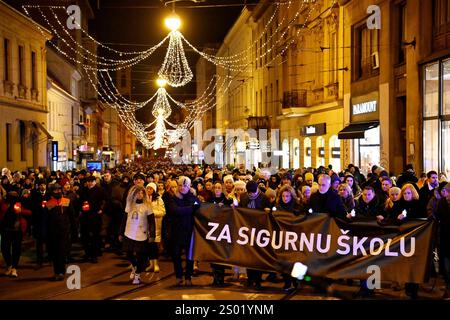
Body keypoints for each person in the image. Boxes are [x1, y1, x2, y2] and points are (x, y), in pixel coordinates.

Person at [165, 176, 200, 286]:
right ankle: (179, 276)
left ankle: (188, 277)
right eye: (180, 185)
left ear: (189, 186)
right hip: (176, 231)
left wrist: (189, 208)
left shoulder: (193, 198)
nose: (182, 187)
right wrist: (190, 209)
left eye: (185, 185)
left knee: (189, 256)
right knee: (176, 255)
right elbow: (175, 210)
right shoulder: (173, 198)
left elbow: (197, 206)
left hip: (189, 231)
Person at [119, 185, 155, 285]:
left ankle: (138, 275)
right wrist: (121, 233)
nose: (140, 195)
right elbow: (124, 219)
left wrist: (152, 234)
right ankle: (134, 267)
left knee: (140, 256)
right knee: (128, 253)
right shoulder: (129, 204)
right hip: (129, 233)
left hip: (141, 234)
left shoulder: (147, 206)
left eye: (142, 193)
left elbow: (152, 222)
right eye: (138, 193)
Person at [239, 180, 271, 290]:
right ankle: (250, 278)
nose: (251, 194)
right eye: (250, 192)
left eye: (253, 192)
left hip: (259, 230)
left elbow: (269, 213)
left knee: (258, 256)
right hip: (247, 229)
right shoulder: (243, 197)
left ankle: (257, 279)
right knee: (249, 256)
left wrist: (268, 211)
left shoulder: (264, 198)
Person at [44, 183, 76, 281]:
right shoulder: (49, 203)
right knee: (54, 253)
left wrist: (73, 229)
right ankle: (56, 272)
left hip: (64, 231)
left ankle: (61, 272)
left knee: (62, 252)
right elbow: (46, 219)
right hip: (53, 232)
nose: (58, 192)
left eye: (59, 190)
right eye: (55, 190)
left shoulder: (66, 201)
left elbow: (72, 216)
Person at [1, 191, 32, 278]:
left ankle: (14, 267)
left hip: (17, 230)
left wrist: (20, 211)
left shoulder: (20, 203)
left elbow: (29, 212)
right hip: (6, 229)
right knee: (4, 248)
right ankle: (9, 265)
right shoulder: (4, 204)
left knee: (16, 249)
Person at [275, 185, 301, 291]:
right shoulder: (277, 206)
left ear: (292, 196)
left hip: (294, 237)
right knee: (284, 261)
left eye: (287, 196)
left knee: (295, 260)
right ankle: (287, 282)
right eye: (283, 196)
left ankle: (295, 280)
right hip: (282, 238)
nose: (285, 198)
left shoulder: (297, 206)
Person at [79, 175, 105, 263]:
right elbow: (80, 201)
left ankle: (95, 254)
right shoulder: (84, 190)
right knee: (85, 235)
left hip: (95, 215)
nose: (90, 183)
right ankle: (87, 253)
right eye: (88, 182)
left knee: (95, 235)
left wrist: (101, 209)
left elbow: (104, 201)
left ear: (95, 182)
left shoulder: (100, 190)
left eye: (91, 181)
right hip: (85, 216)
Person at [145, 182, 166, 273]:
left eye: (151, 189)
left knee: (154, 245)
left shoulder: (158, 199)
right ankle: (151, 264)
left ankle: (156, 263)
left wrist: (152, 213)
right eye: (148, 188)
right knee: (149, 245)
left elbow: (163, 212)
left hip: (156, 225)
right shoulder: (144, 198)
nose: (149, 190)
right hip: (146, 225)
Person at [436, 183, 450, 298]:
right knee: (446, 264)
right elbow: (438, 216)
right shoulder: (442, 202)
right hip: (445, 236)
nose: (448, 195)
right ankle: (448, 286)